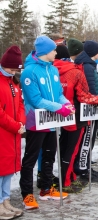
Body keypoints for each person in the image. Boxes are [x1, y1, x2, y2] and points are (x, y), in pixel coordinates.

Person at [20, 36, 72, 210]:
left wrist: (66, 104)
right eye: (53, 50)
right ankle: (26, 194)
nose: (56, 53)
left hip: (51, 120)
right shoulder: (30, 71)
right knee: (31, 158)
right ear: (44, 52)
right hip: (36, 121)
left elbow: (58, 93)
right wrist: (59, 107)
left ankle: (46, 189)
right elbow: (36, 100)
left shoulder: (53, 70)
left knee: (49, 155)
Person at [54, 45, 98, 192]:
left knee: (63, 148)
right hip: (75, 115)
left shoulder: (51, 70)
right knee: (73, 149)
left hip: (58, 114)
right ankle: (67, 180)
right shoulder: (75, 71)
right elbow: (83, 96)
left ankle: (63, 178)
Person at [0, 46, 25, 219]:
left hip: (13, 132)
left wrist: (21, 121)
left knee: (8, 169)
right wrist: (15, 125)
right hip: (4, 132)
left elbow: (20, 105)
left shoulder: (13, 82)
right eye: (12, 69)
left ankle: (5, 199)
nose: (14, 72)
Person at [74, 40, 98, 180]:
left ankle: (86, 166)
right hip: (89, 107)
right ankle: (83, 168)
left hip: (94, 106)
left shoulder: (90, 65)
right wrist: (97, 99)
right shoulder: (87, 66)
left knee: (90, 139)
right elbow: (91, 87)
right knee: (87, 139)